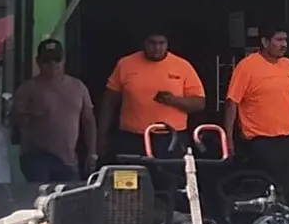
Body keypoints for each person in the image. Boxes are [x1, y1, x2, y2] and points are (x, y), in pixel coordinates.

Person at [223, 27, 289, 203]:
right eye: (278, 40)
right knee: (269, 186)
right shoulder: (247, 66)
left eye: (285, 40)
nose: (284, 44)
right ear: (265, 42)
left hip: (288, 137)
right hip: (260, 140)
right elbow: (231, 103)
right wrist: (228, 139)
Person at [97, 33, 206, 159]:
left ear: (167, 44)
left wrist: (174, 101)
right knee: (130, 177)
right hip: (131, 138)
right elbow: (109, 103)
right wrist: (102, 137)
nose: (157, 48)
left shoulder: (182, 66)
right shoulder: (125, 64)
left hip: (170, 138)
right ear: (143, 43)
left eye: (161, 43)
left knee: (170, 178)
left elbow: (200, 103)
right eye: (152, 43)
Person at [10, 38, 97, 184]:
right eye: (47, 60)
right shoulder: (27, 89)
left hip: (69, 160)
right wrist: (30, 116)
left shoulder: (78, 87)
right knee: (41, 198)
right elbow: (15, 121)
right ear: (38, 62)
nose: (53, 64)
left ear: (63, 61)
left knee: (69, 200)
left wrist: (92, 153)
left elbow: (89, 121)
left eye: (57, 60)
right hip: (36, 157)